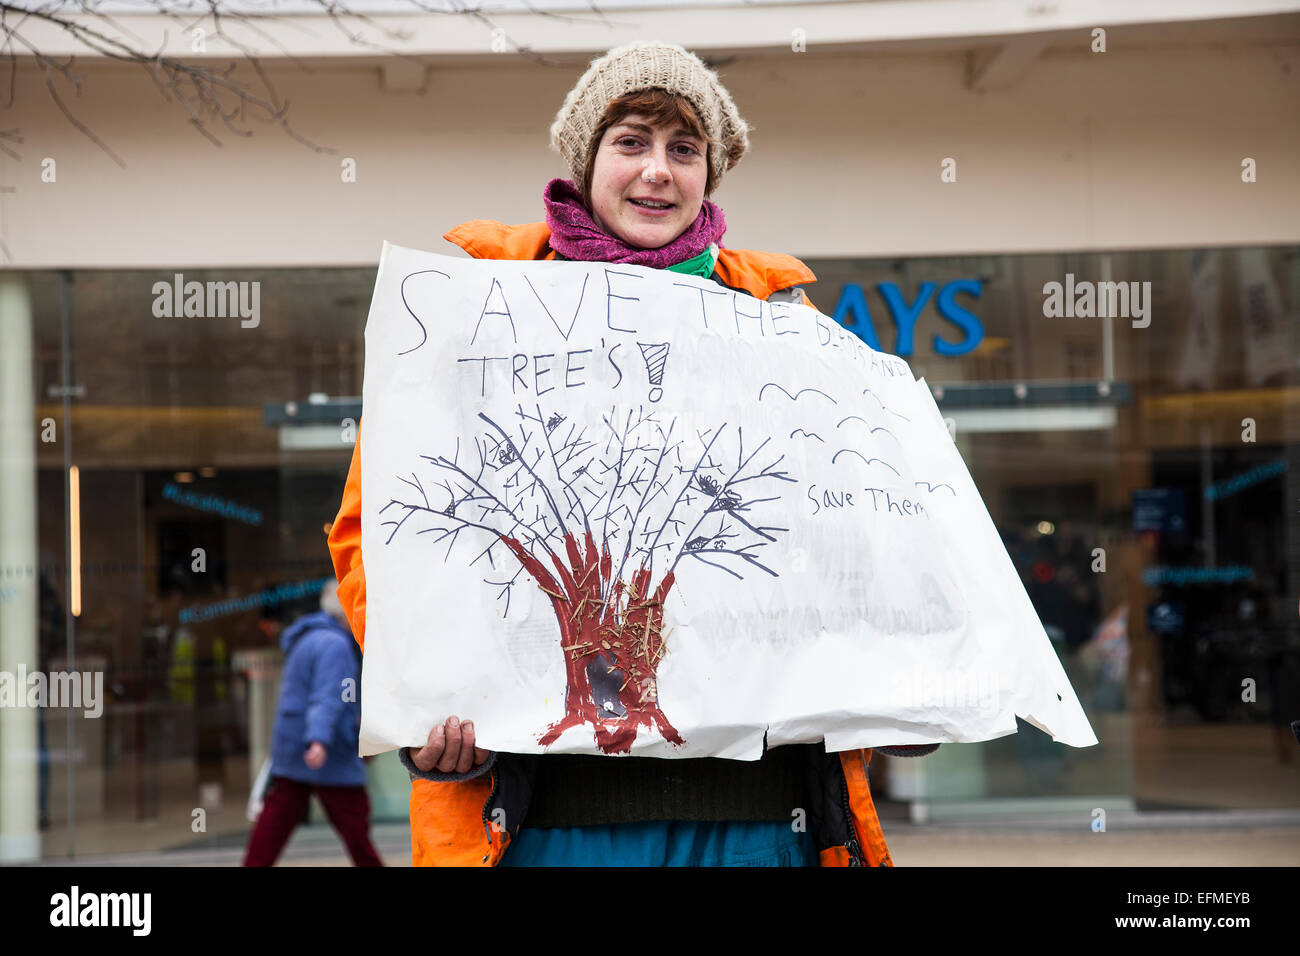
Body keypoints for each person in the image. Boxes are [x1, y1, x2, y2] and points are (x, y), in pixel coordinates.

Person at [329, 41, 936, 867]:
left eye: (684, 150)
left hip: (764, 822)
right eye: (631, 141)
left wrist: (900, 691)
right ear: (586, 162)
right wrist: (427, 693)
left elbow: (854, 545)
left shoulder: (786, 333)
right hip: (546, 824)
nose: (658, 170)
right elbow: (382, 530)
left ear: (709, 176)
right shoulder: (473, 317)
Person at [242, 581, 383, 866]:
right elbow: (328, 696)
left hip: (293, 745)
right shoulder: (336, 644)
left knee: (276, 822)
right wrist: (319, 740)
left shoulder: (308, 637)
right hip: (328, 753)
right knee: (356, 828)